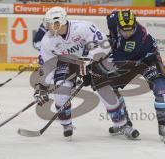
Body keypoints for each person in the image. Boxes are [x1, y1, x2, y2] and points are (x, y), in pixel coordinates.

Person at [34, 6, 139, 139]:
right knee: (61, 92)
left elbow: (103, 45)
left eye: (49, 23)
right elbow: (46, 66)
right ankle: (66, 124)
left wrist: (89, 60)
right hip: (67, 65)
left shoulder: (83, 28)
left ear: (58, 22)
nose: (47, 26)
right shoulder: (47, 41)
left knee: (105, 90)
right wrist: (42, 87)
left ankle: (122, 125)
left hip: (91, 62)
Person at [103, 10, 165, 144]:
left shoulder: (136, 39)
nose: (127, 33)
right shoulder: (113, 20)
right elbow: (111, 15)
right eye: (123, 30)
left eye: (130, 30)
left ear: (135, 26)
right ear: (118, 25)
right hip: (127, 58)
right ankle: (123, 122)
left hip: (147, 59)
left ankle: (164, 126)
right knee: (108, 88)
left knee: (162, 89)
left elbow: (117, 59)